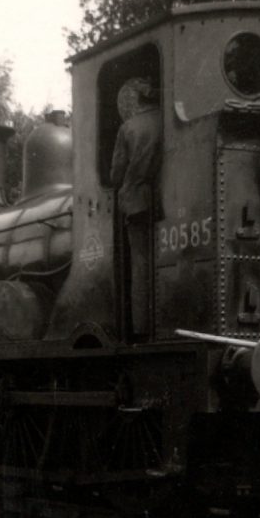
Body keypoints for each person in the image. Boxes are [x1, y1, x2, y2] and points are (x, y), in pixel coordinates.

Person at [110, 77, 162, 339]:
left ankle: (142, 330)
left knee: (140, 266)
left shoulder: (129, 128)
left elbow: (116, 175)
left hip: (136, 202)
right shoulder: (165, 121)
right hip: (161, 200)